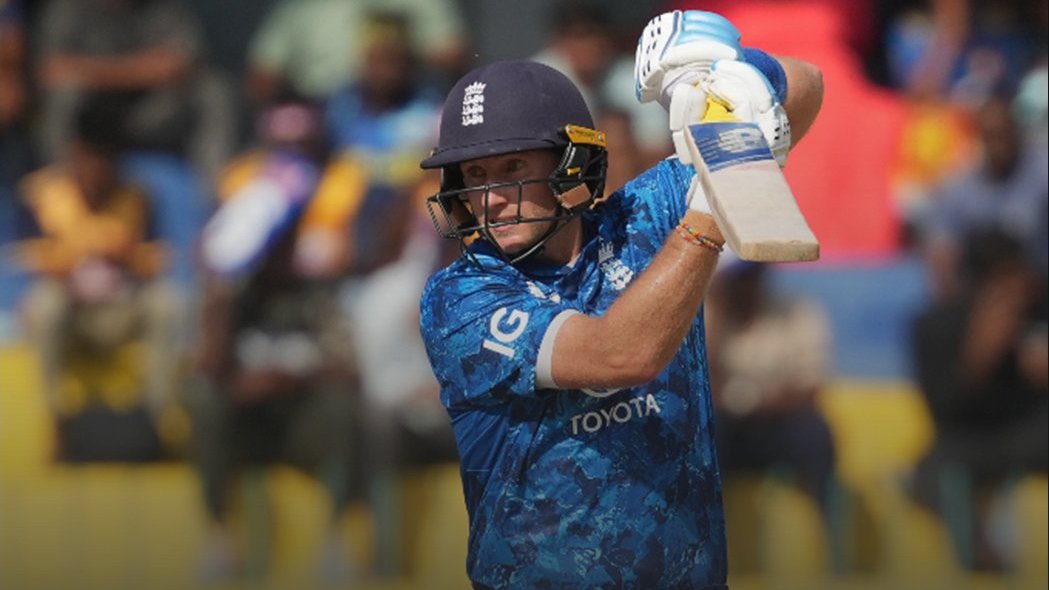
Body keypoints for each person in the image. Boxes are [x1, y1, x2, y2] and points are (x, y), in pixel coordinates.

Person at [417, 10, 824, 588]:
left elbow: (806, 85)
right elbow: (621, 355)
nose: (492, 198)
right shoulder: (459, 298)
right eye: (475, 174)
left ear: (570, 163)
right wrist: (714, 202)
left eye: (512, 167)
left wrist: (738, 85)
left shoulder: (642, 216)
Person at [14, 92, 181, 462]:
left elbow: (161, 258)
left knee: (168, 303)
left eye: (109, 159)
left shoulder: (137, 197)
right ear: (75, 154)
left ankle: (157, 420)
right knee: (44, 304)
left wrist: (128, 255)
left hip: (121, 307)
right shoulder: (41, 194)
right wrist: (75, 255)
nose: (100, 169)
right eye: (93, 158)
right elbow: (22, 256)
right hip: (73, 312)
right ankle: (54, 423)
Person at [910, 228, 1048, 570]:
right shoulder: (937, 324)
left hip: (1033, 434)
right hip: (970, 441)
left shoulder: (1038, 314)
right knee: (931, 472)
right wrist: (981, 352)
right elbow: (944, 410)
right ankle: (981, 553)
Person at [704, 259, 836, 515]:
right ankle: (702, 525)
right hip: (726, 427)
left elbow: (810, 386)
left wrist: (753, 403)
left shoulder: (796, 310)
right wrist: (717, 309)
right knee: (706, 433)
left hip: (779, 422)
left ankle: (821, 523)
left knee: (815, 433)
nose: (745, 284)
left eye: (752, 274)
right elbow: (700, 380)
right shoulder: (706, 314)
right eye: (737, 277)